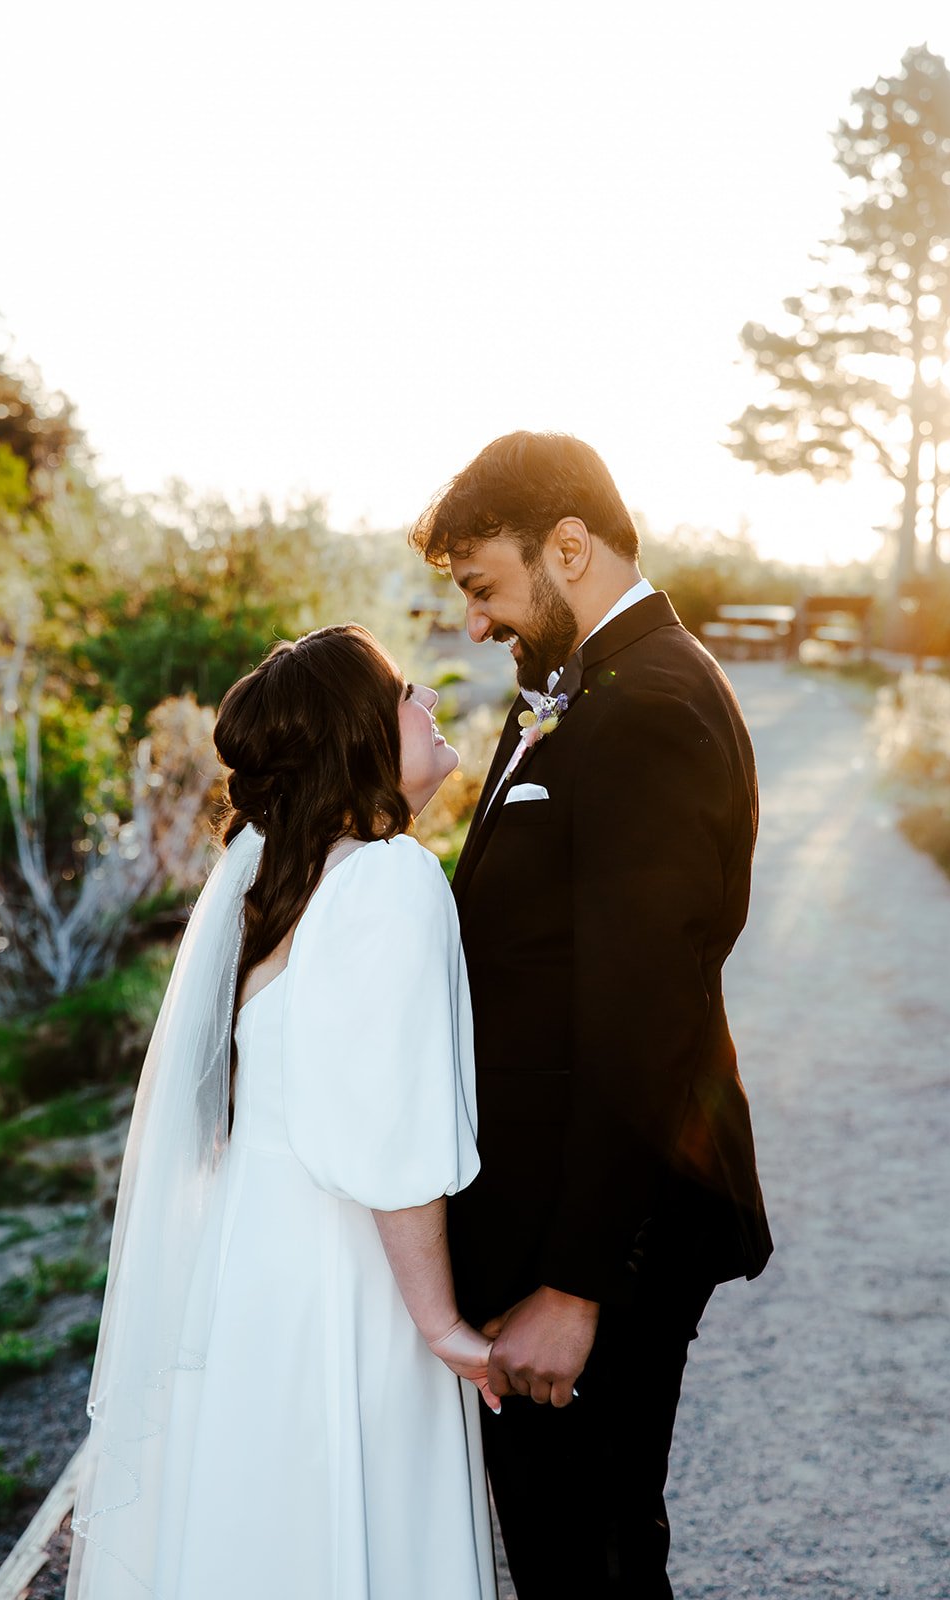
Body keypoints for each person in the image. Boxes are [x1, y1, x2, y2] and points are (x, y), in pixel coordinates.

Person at [410, 432, 774, 1598]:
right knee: (574, 1549)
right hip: (547, 1215)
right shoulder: (590, 694)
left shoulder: (650, 708)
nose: (473, 623)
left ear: (566, 546)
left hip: (599, 1235)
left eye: (483, 586)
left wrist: (576, 1285)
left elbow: (643, 1018)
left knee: (592, 1561)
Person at [66, 624, 498, 1600]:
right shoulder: (388, 881)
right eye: (406, 693)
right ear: (361, 735)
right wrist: (440, 1327)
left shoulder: (269, 880)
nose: (427, 703)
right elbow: (391, 1145)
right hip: (343, 1279)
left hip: (245, 1270)